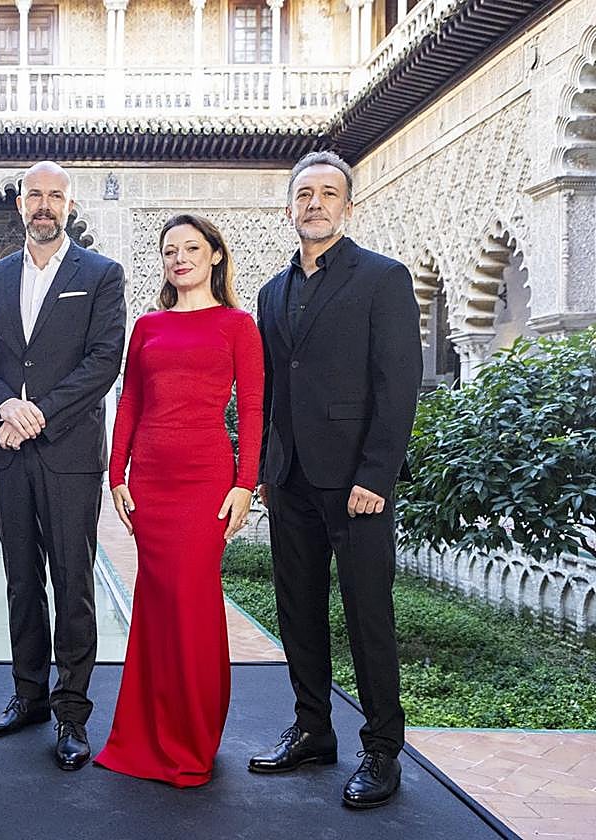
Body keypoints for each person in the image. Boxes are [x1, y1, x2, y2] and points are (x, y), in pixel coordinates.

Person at [248, 151, 422, 808]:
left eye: (328, 193)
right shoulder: (273, 292)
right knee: (298, 611)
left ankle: (381, 750)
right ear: (289, 208)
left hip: (358, 483)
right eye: (304, 195)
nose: (315, 204)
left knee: (367, 613)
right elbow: (270, 391)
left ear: (347, 206)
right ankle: (313, 729)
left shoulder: (382, 278)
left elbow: (398, 383)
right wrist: (269, 468)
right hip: (291, 481)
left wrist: (376, 473)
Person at [0, 161, 126, 771]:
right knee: (21, 579)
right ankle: (28, 695)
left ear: (69, 204)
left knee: (74, 584)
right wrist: (6, 407)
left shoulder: (101, 275)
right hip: (7, 453)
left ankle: (71, 713)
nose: (45, 205)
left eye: (56, 195)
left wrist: (38, 413)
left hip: (69, 455)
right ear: (21, 203)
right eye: (35, 195)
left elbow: (104, 359)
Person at [94, 214, 263, 787]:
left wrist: (246, 482)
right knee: (157, 603)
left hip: (206, 480)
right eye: (170, 250)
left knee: (193, 602)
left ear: (215, 255)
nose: (180, 258)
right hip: (152, 482)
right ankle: (145, 732)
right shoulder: (147, 326)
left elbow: (256, 411)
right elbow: (132, 402)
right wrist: (118, 473)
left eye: (192, 248)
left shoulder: (238, 325)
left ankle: (193, 736)